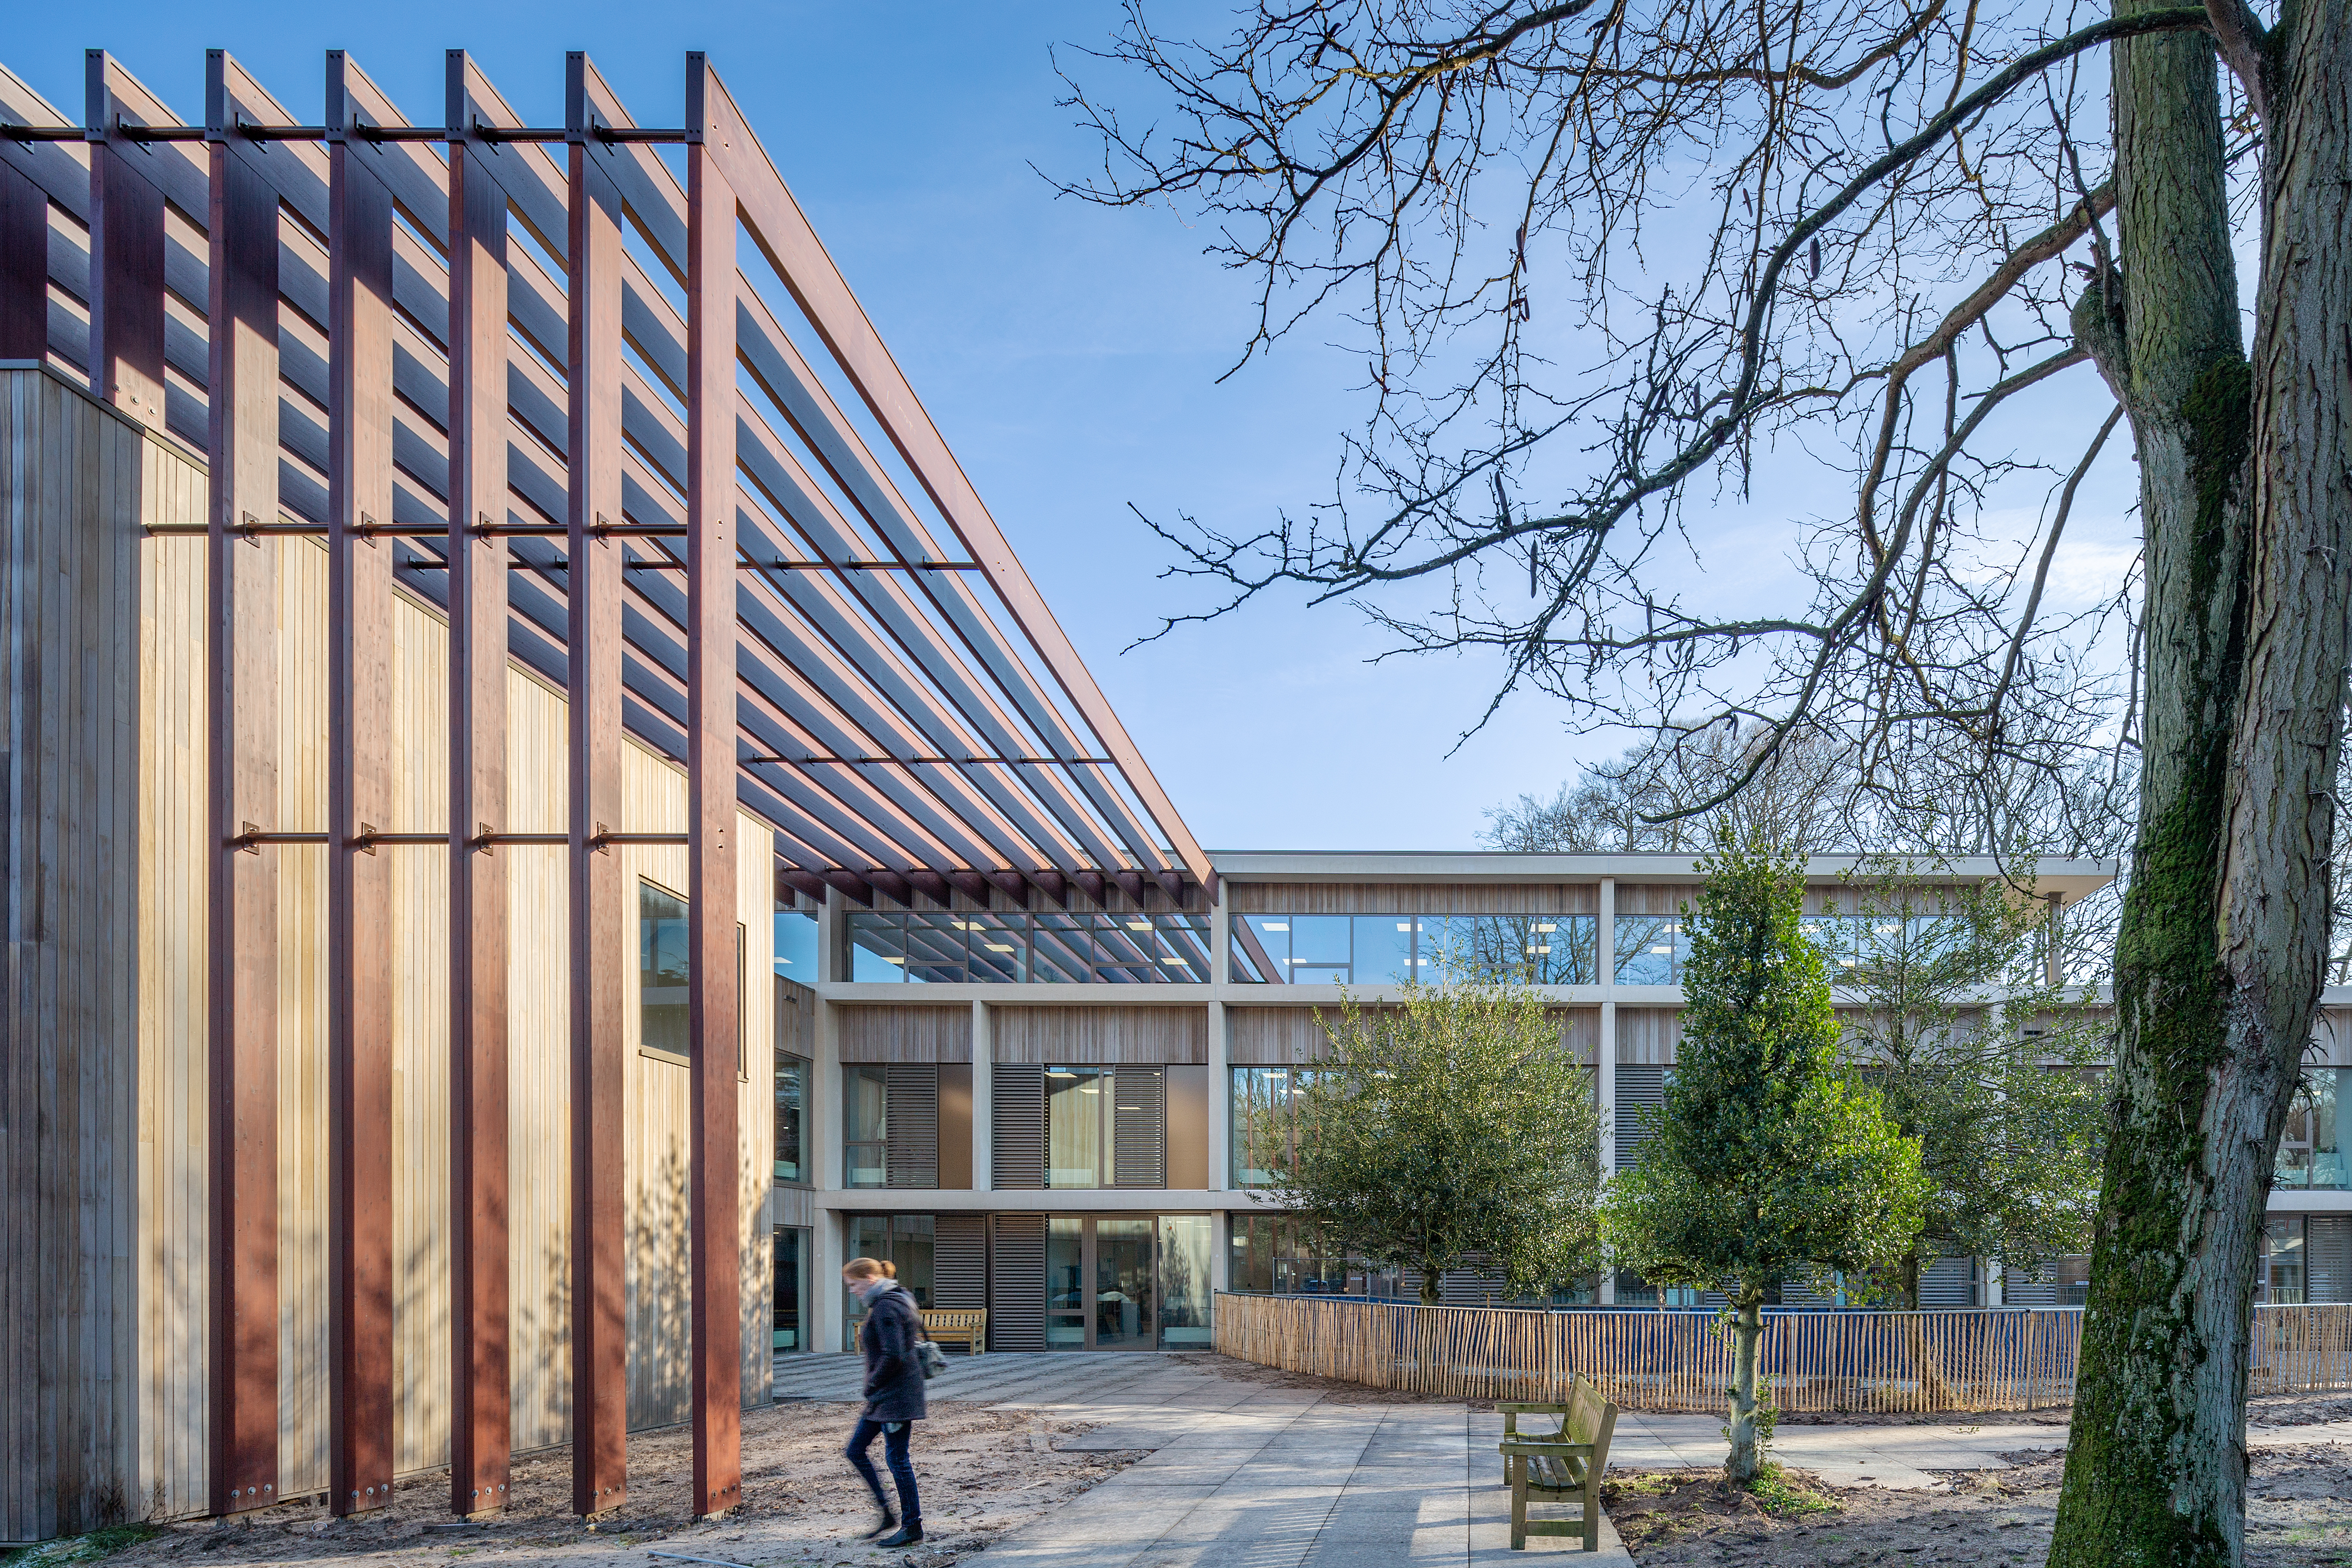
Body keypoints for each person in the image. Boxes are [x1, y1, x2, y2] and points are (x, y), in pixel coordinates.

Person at [842, 1257, 924, 1548]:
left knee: (898, 1460)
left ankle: (912, 1526)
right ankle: (887, 1515)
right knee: (855, 1450)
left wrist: (872, 1383)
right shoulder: (895, 1299)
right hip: (886, 1397)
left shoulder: (888, 1306)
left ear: (870, 1279)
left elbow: (895, 1354)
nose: (852, 1291)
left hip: (895, 1397)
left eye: (854, 1285)